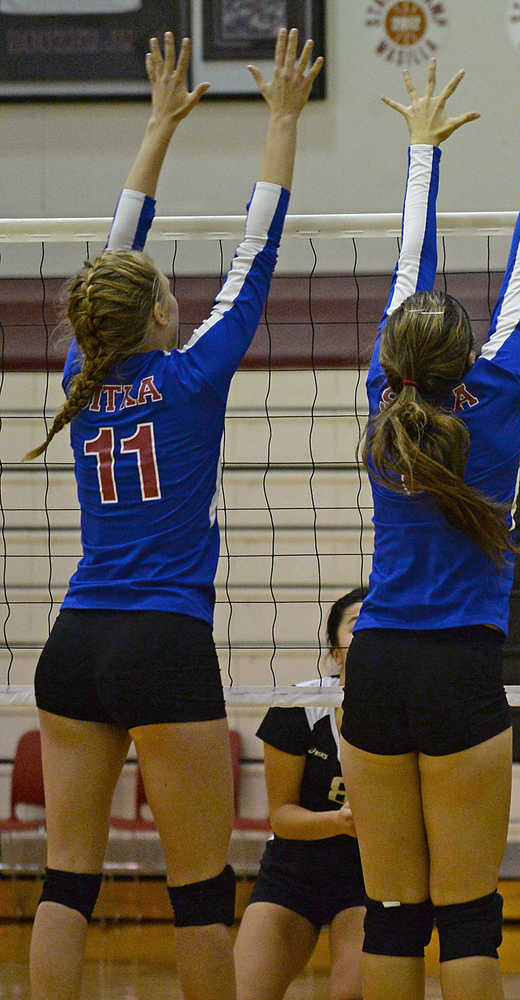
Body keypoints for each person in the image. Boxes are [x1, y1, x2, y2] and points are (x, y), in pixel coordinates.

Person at [24, 28, 322, 1000]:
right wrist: (282, 121)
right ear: (156, 316)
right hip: (162, 642)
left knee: (67, 877)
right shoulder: (192, 377)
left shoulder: (79, 376)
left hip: (76, 642)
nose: (180, 296)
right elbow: (257, 245)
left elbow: (115, 253)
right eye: (168, 293)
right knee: (199, 891)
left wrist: (156, 127)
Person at [337, 63, 520, 1000]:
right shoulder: (493, 396)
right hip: (460, 669)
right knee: (467, 919)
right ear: (464, 352)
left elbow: (411, 264)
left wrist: (421, 147)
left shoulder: (382, 396)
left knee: (393, 917)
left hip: (372, 666)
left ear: (394, 355)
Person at [234, 588, 367, 1000]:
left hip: (369, 878)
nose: (366, 635)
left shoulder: (410, 713)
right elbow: (282, 817)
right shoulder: (299, 705)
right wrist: (342, 821)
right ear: (335, 649)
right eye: (355, 625)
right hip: (294, 870)